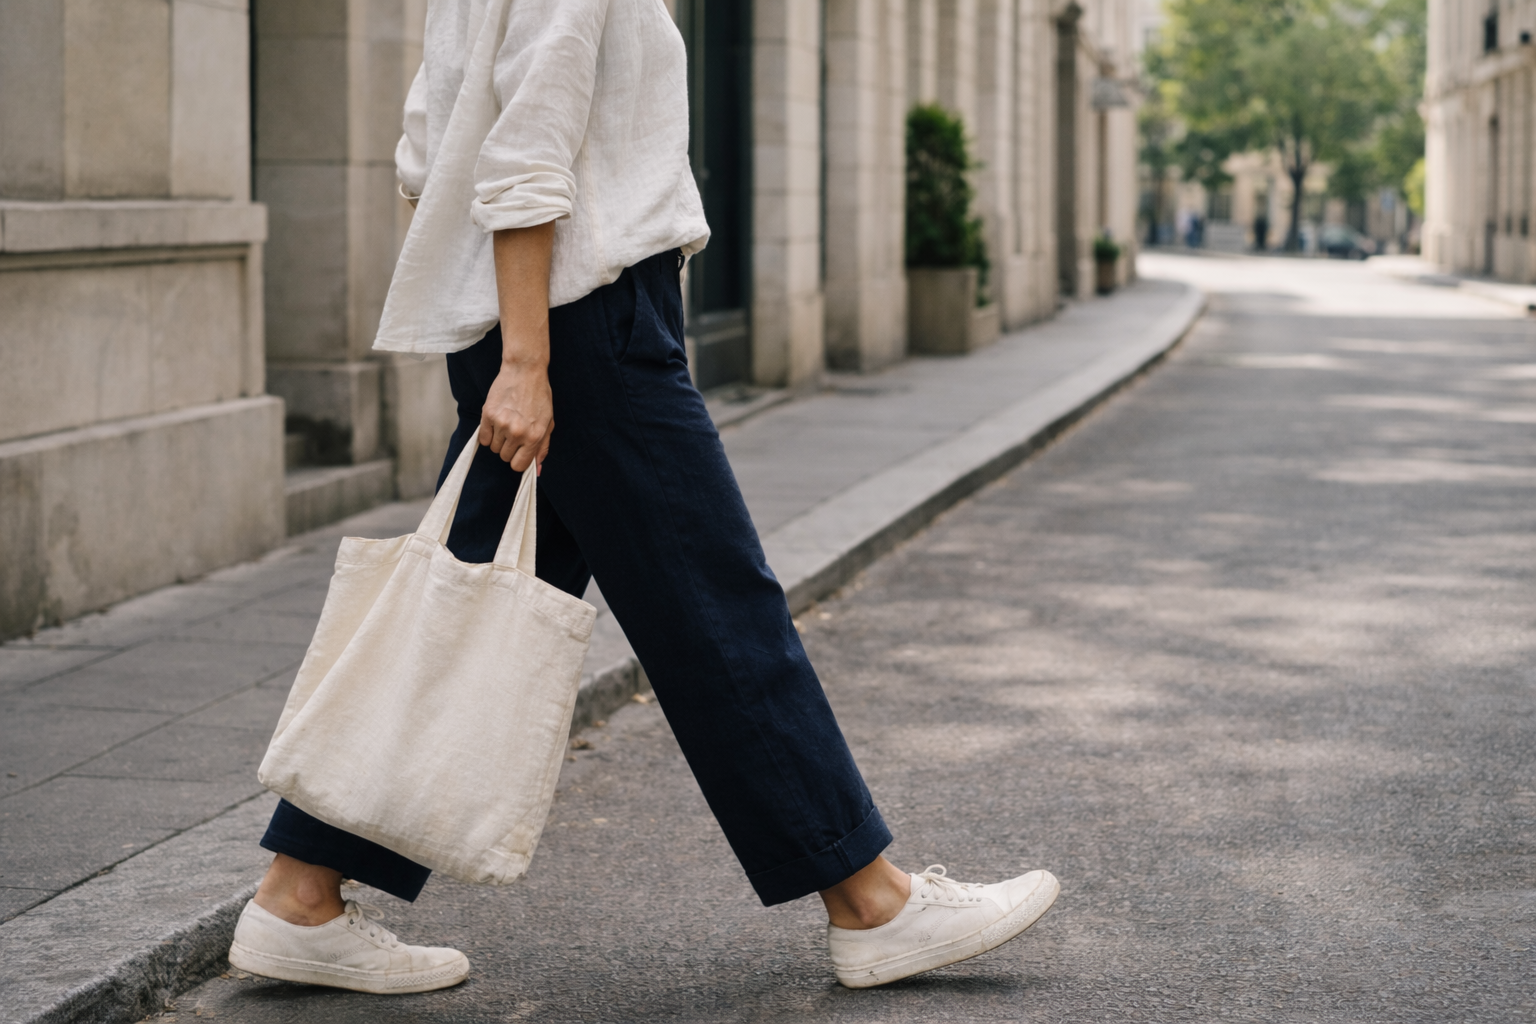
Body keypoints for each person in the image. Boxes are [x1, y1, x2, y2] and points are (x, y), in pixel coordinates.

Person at [227, 0, 1058, 994]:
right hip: (587, 333)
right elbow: (524, 152)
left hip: (538, 322)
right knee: (717, 609)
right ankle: (872, 902)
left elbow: (426, 155)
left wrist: (497, 330)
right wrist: (529, 358)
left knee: (450, 617)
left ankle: (300, 893)